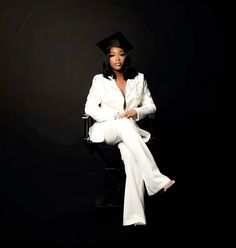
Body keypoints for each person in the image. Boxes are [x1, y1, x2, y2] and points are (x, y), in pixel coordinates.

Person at [84, 31, 175, 226]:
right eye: (112, 54)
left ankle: (135, 218)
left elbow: (151, 106)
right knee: (124, 124)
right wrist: (115, 117)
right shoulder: (99, 80)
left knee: (133, 161)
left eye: (121, 54)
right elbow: (89, 108)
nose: (117, 58)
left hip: (129, 132)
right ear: (107, 58)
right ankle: (156, 179)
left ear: (126, 57)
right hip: (106, 128)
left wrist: (135, 112)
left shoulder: (139, 79)